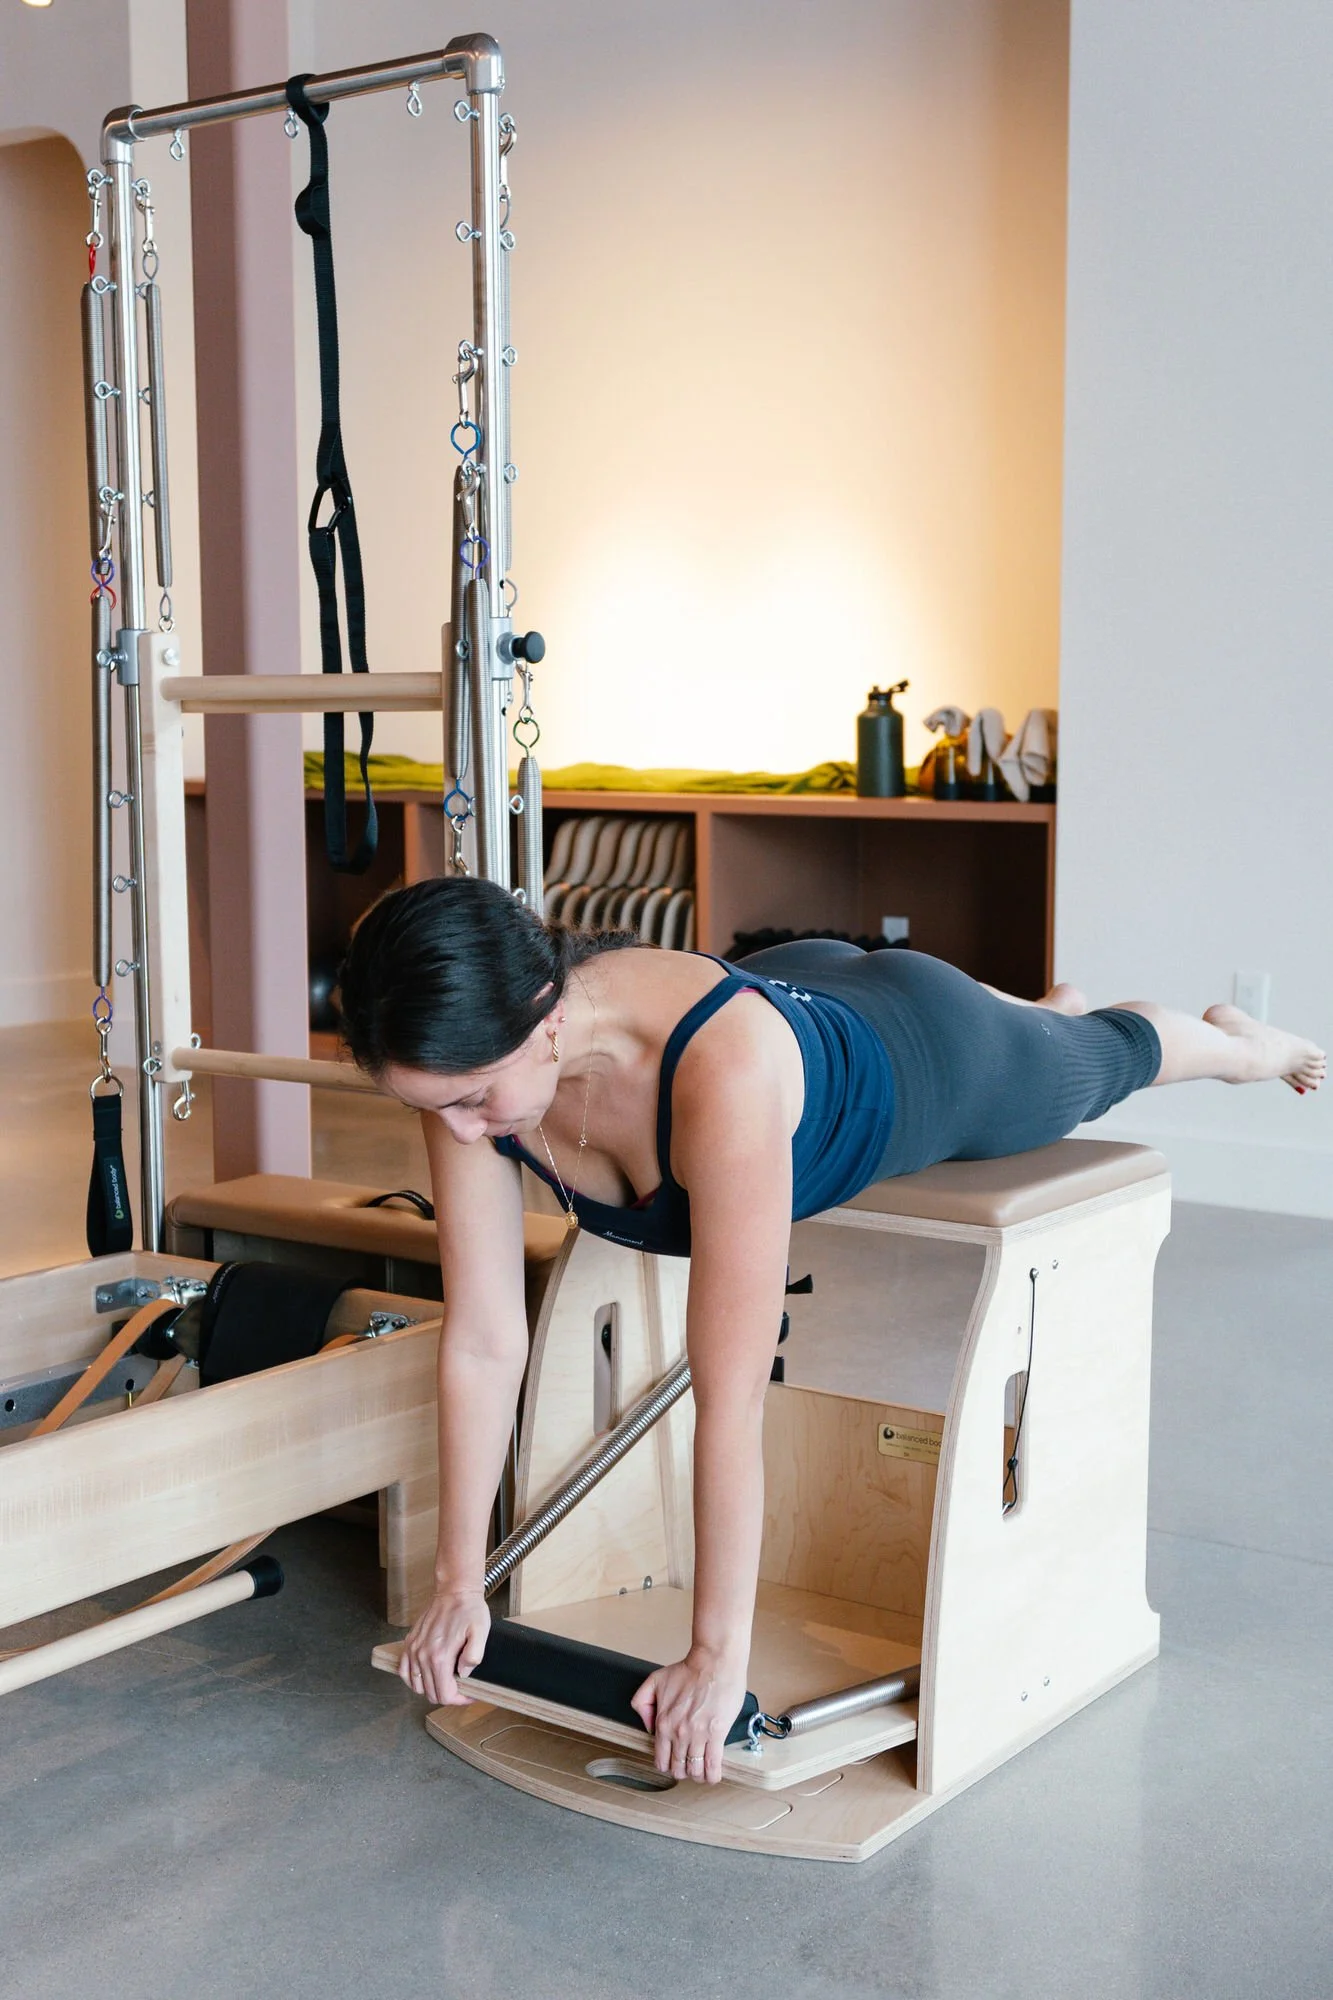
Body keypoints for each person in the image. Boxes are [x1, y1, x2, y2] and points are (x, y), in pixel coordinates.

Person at [337, 876, 1324, 1785]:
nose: (457, 1130)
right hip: (795, 979)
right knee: (1031, 1022)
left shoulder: (719, 1074)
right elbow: (482, 1340)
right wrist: (455, 1584)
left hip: (920, 1046)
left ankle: (1237, 1043)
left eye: (472, 1100)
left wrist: (715, 1656)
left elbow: (730, 1395)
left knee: (1103, 1058)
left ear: (546, 1017)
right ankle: (1038, 1008)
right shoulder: (462, 1061)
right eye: (433, 1106)